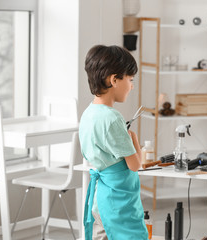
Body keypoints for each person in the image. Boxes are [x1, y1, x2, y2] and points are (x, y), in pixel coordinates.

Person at [79, 45, 148, 240]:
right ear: (114, 79)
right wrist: (133, 139)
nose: (132, 86)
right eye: (130, 79)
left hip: (100, 199)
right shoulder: (112, 118)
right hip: (119, 200)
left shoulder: (88, 113)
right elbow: (134, 165)